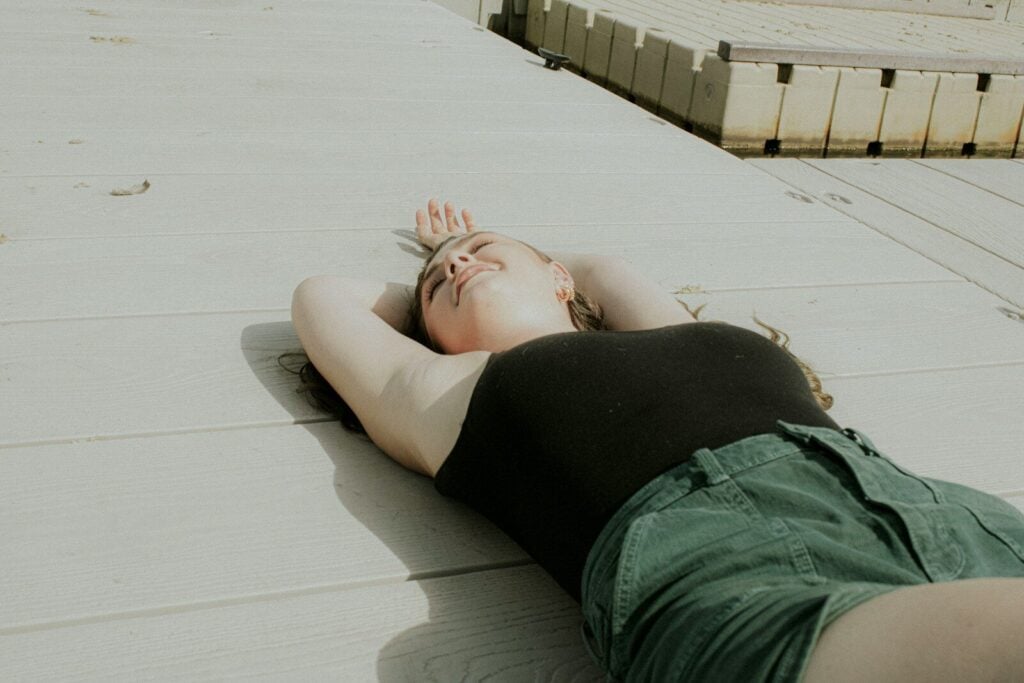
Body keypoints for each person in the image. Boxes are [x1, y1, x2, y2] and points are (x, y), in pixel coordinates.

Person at [290, 198, 1024, 682]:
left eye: (481, 249)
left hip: (925, 507)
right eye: (433, 286)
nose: (454, 264)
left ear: (557, 276)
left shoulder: (666, 327)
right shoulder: (446, 389)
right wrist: (453, 271)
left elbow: (602, 265)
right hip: (721, 560)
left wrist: (478, 250)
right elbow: (322, 296)